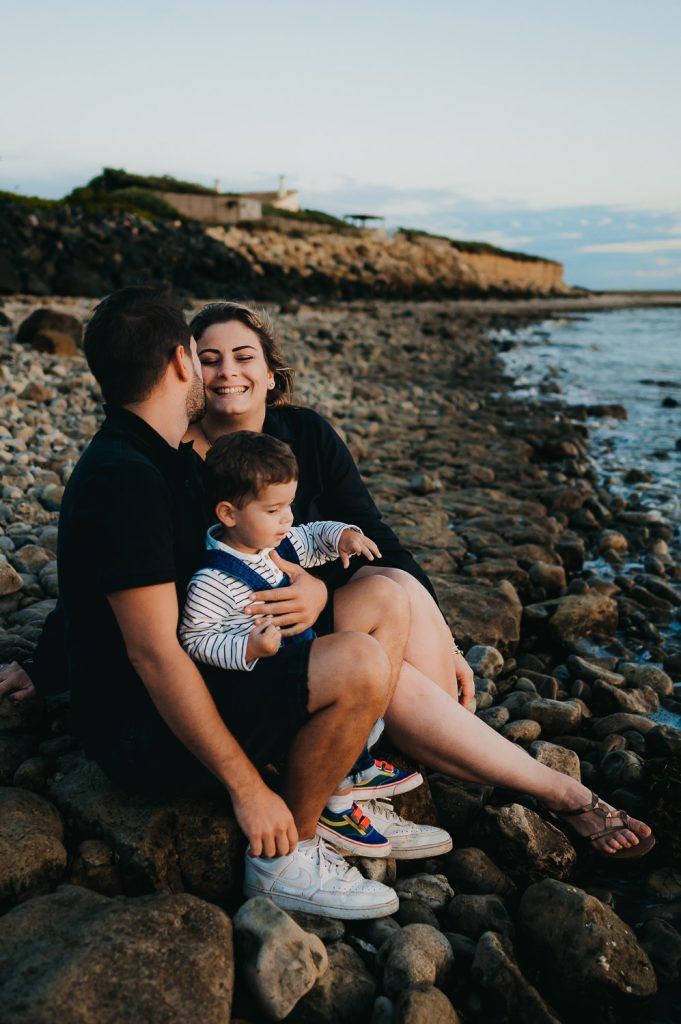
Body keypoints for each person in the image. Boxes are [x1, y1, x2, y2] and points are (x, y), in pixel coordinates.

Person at [1, 295, 656, 862]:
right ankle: (535, 787)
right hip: (240, 636)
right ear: (182, 366)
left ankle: (400, 747)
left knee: (389, 587)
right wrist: (52, 661)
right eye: (209, 357)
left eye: (243, 356)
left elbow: (373, 535)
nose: (226, 371)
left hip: (304, 617)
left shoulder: (301, 435)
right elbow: (131, 581)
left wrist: (437, 634)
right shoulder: (175, 464)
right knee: (373, 644)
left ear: (268, 367)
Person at [179, 428, 451, 860]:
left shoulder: (272, 538)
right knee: (354, 665)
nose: (287, 518)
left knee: (385, 597)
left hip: (301, 666)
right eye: (275, 510)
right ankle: (337, 798)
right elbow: (196, 639)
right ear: (229, 513)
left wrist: (343, 535)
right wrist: (248, 649)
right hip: (265, 688)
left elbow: (311, 535)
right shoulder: (214, 580)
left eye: (289, 505)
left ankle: (352, 761)